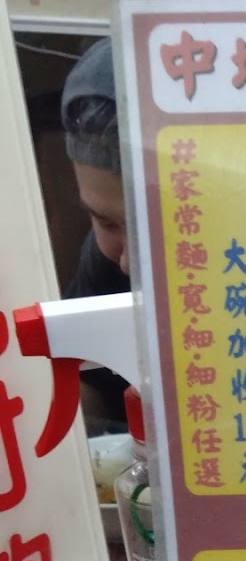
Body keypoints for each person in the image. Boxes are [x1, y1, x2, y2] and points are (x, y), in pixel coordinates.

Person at [60, 37, 130, 423]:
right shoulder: (104, 262)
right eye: (106, 222)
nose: (129, 262)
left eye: (155, 228)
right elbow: (85, 380)